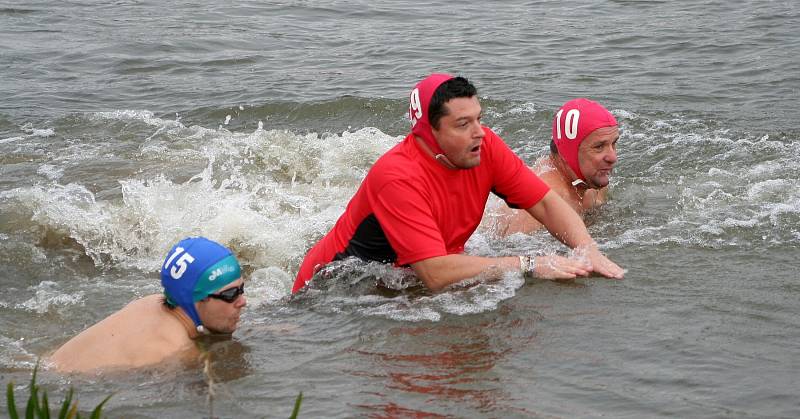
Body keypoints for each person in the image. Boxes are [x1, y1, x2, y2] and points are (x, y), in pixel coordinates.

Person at [292, 74, 624, 294]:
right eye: (463, 124)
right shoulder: (397, 177)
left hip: (407, 274)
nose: (479, 131)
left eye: (479, 118)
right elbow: (435, 273)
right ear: (427, 133)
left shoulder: (484, 145)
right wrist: (531, 263)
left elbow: (546, 202)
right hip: (334, 289)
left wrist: (587, 250)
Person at [49, 237, 247, 373]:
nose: (242, 301)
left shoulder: (149, 302)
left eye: (242, 288)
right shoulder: (177, 352)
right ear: (195, 298)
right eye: (231, 294)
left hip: (44, 365)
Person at [485, 98, 620, 236]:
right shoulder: (538, 207)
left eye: (613, 144)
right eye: (599, 147)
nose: (613, 157)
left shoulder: (593, 179)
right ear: (569, 152)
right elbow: (508, 252)